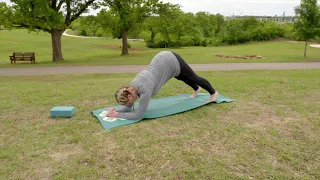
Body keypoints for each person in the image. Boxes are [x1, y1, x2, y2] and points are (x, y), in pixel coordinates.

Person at [106, 51, 219, 120]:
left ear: (130, 96)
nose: (129, 104)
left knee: (193, 77)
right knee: (182, 77)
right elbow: (130, 106)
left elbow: (138, 115)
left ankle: (213, 93)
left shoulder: (144, 90)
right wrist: (117, 111)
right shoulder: (131, 88)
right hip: (162, 62)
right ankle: (196, 89)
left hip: (170, 60)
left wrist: (117, 115)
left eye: (127, 102)